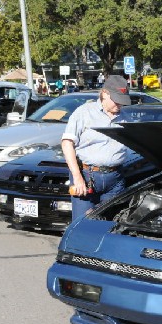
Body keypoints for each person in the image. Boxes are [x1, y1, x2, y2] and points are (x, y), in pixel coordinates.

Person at [61, 75, 133, 221]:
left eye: (122, 101)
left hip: (115, 179)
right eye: (117, 100)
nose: (120, 105)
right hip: (86, 176)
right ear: (105, 93)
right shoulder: (84, 113)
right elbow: (67, 143)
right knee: (83, 224)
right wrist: (77, 177)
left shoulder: (126, 118)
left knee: (111, 224)